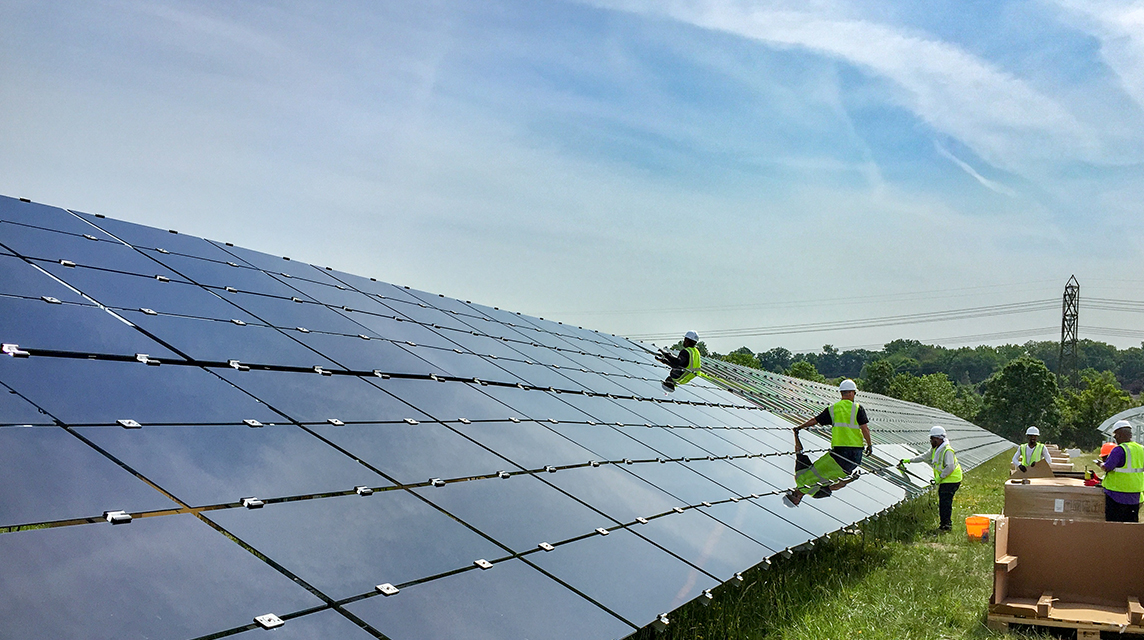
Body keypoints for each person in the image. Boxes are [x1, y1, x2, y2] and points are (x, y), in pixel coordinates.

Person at [796, 379, 873, 467]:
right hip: (855, 449)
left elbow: (815, 420)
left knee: (837, 470)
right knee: (848, 469)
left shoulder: (832, 409)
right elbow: (865, 429)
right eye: (854, 393)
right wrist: (869, 444)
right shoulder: (857, 408)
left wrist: (801, 427)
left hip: (839, 449)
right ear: (851, 393)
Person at [901, 426, 962, 531]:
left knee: (945, 503)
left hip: (951, 480)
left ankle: (946, 526)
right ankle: (945, 524)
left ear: (938, 438)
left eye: (932, 438)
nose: (930, 441)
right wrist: (909, 460)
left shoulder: (947, 450)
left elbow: (950, 467)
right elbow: (923, 456)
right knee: (944, 502)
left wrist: (939, 478)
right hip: (946, 479)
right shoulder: (936, 449)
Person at [783, 426, 859, 506]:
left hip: (846, 468)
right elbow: (799, 453)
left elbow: (836, 486)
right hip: (834, 456)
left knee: (858, 442)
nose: (797, 502)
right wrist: (796, 435)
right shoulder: (799, 478)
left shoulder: (814, 494)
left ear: (795, 501)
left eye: (796, 502)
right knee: (851, 434)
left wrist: (852, 479)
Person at [1100, 420, 1142, 523]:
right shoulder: (1141, 449)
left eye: (1115, 436)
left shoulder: (1119, 450)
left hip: (1116, 495)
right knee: (1131, 525)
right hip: (1135, 495)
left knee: (1114, 525)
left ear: (1119, 435)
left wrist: (1100, 464)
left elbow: (1107, 467)